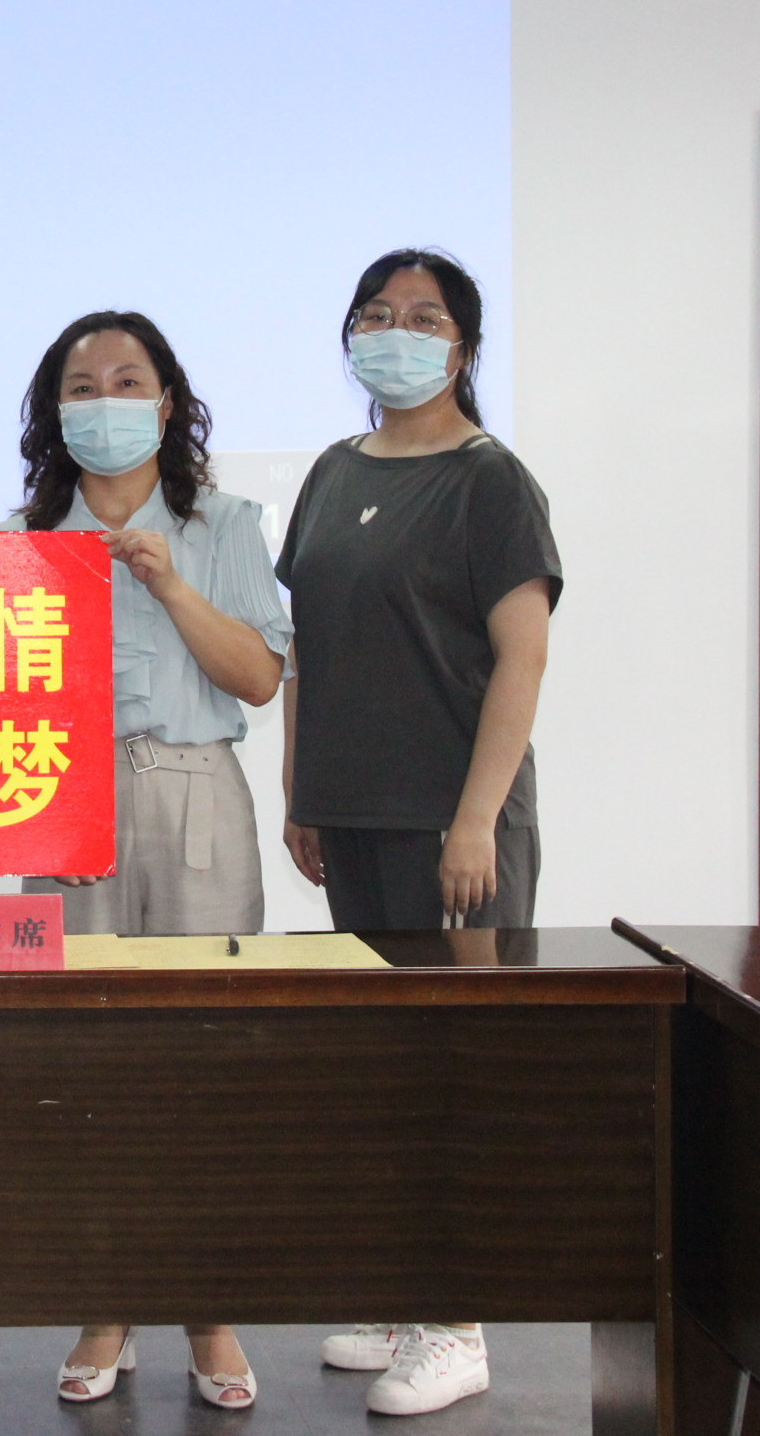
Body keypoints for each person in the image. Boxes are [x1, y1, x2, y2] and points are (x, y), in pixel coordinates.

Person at [0, 309, 290, 1413]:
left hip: (197, 791)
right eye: (82, 386)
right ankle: (105, 1305)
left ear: (166, 404)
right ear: (54, 411)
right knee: (85, 1067)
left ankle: (209, 1311)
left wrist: (169, 584)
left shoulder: (226, 524)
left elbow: (258, 677)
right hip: (63, 807)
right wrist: (38, 815)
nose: (104, 403)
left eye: (127, 382)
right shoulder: (17, 541)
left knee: (204, 1064)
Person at [277, 248, 560, 1418]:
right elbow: (310, 645)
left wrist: (476, 819)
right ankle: (409, 1294)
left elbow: (523, 657)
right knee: (388, 1065)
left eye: (425, 317)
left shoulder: (491, 482)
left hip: (454, 827)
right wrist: (300, 791)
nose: (395, 332)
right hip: (352, 816)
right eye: (376, 314)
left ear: (464, 348)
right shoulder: (334, 471)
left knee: (458, 1069)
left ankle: (461, 1323)